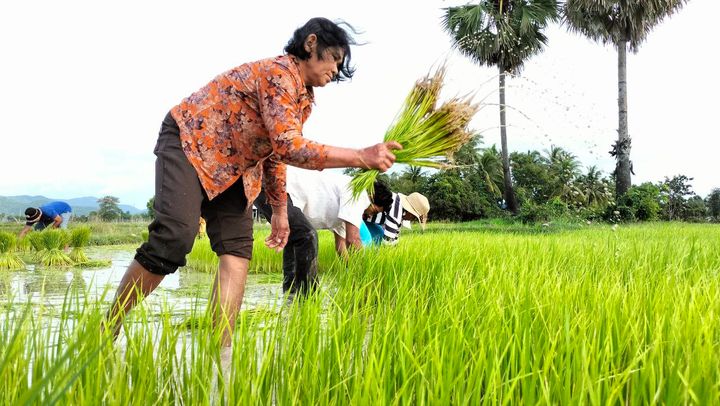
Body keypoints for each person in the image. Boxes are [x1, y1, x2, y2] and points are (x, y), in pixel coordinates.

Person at [104, 17, 402, 346]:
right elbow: (290, 146)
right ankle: (107, 329)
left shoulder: (303, 100)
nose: (337, 68)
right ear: (312, 43)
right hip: (192, 143)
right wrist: (361, 156)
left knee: (237, 252)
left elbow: (275, 153)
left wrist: (278, 211)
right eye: (335, 58)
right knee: (175, 237)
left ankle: (222, 354)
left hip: (238, 169)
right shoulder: (279, 74)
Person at [254, 167, 394, 296]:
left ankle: (290, 296)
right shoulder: (359, 193)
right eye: (374, 210)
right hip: (276, 187)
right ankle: (308, 298)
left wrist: (355, 274)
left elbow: (341, 247)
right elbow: (354, 239)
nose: (369, 216)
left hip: (267, 187)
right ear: (371, 196)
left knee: (296, 239)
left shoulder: (346, 210)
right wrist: (367, 273)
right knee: (307, 236)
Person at [364, 190, 429, 245]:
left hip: (366, 219)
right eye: (414, 217)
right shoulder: (396, 212)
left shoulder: (399, 205)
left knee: (379, 235)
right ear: (411, 214)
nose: (412, 220)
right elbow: (388, 242)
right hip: (357, 214)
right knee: (366, 241)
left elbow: (394, 235)